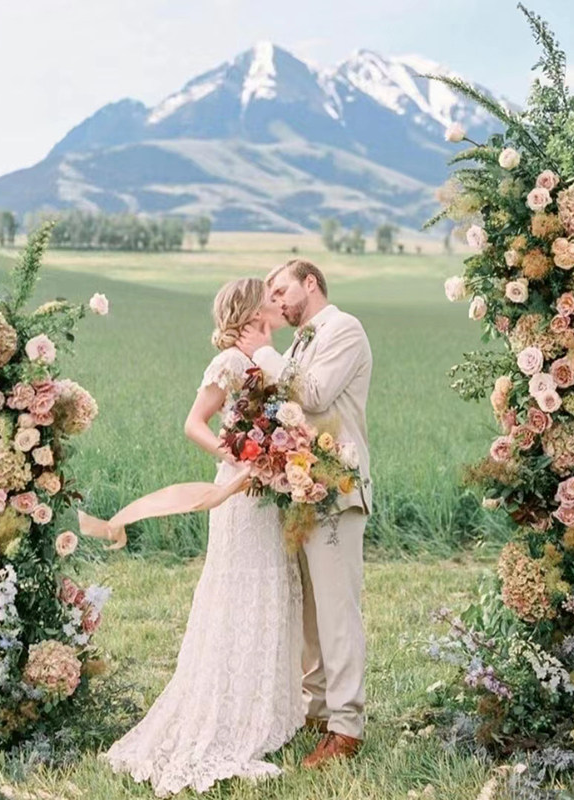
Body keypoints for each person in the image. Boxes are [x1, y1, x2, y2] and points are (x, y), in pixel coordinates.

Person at [104, 278, 304, 796]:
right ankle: (227, 713)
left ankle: (266, 708)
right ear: (251, 310)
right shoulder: (233, 364)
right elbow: (194, 423)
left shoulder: (268, 357)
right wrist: (240, 460)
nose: (280, 304)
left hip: (269, 495)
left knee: (270, 590)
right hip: (240, 494)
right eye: (271, 298)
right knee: (239, 592)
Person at [237, 258, 373, 769]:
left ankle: (347, 728)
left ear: (309, 283)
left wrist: (265, 355)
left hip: (337, 488)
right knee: (310, 612)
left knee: (338, 613)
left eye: (280, 290)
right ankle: (316, 713)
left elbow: (313, 393)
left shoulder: (344, 329)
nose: (275, 301)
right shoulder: (298, 342)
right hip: (301, 490)